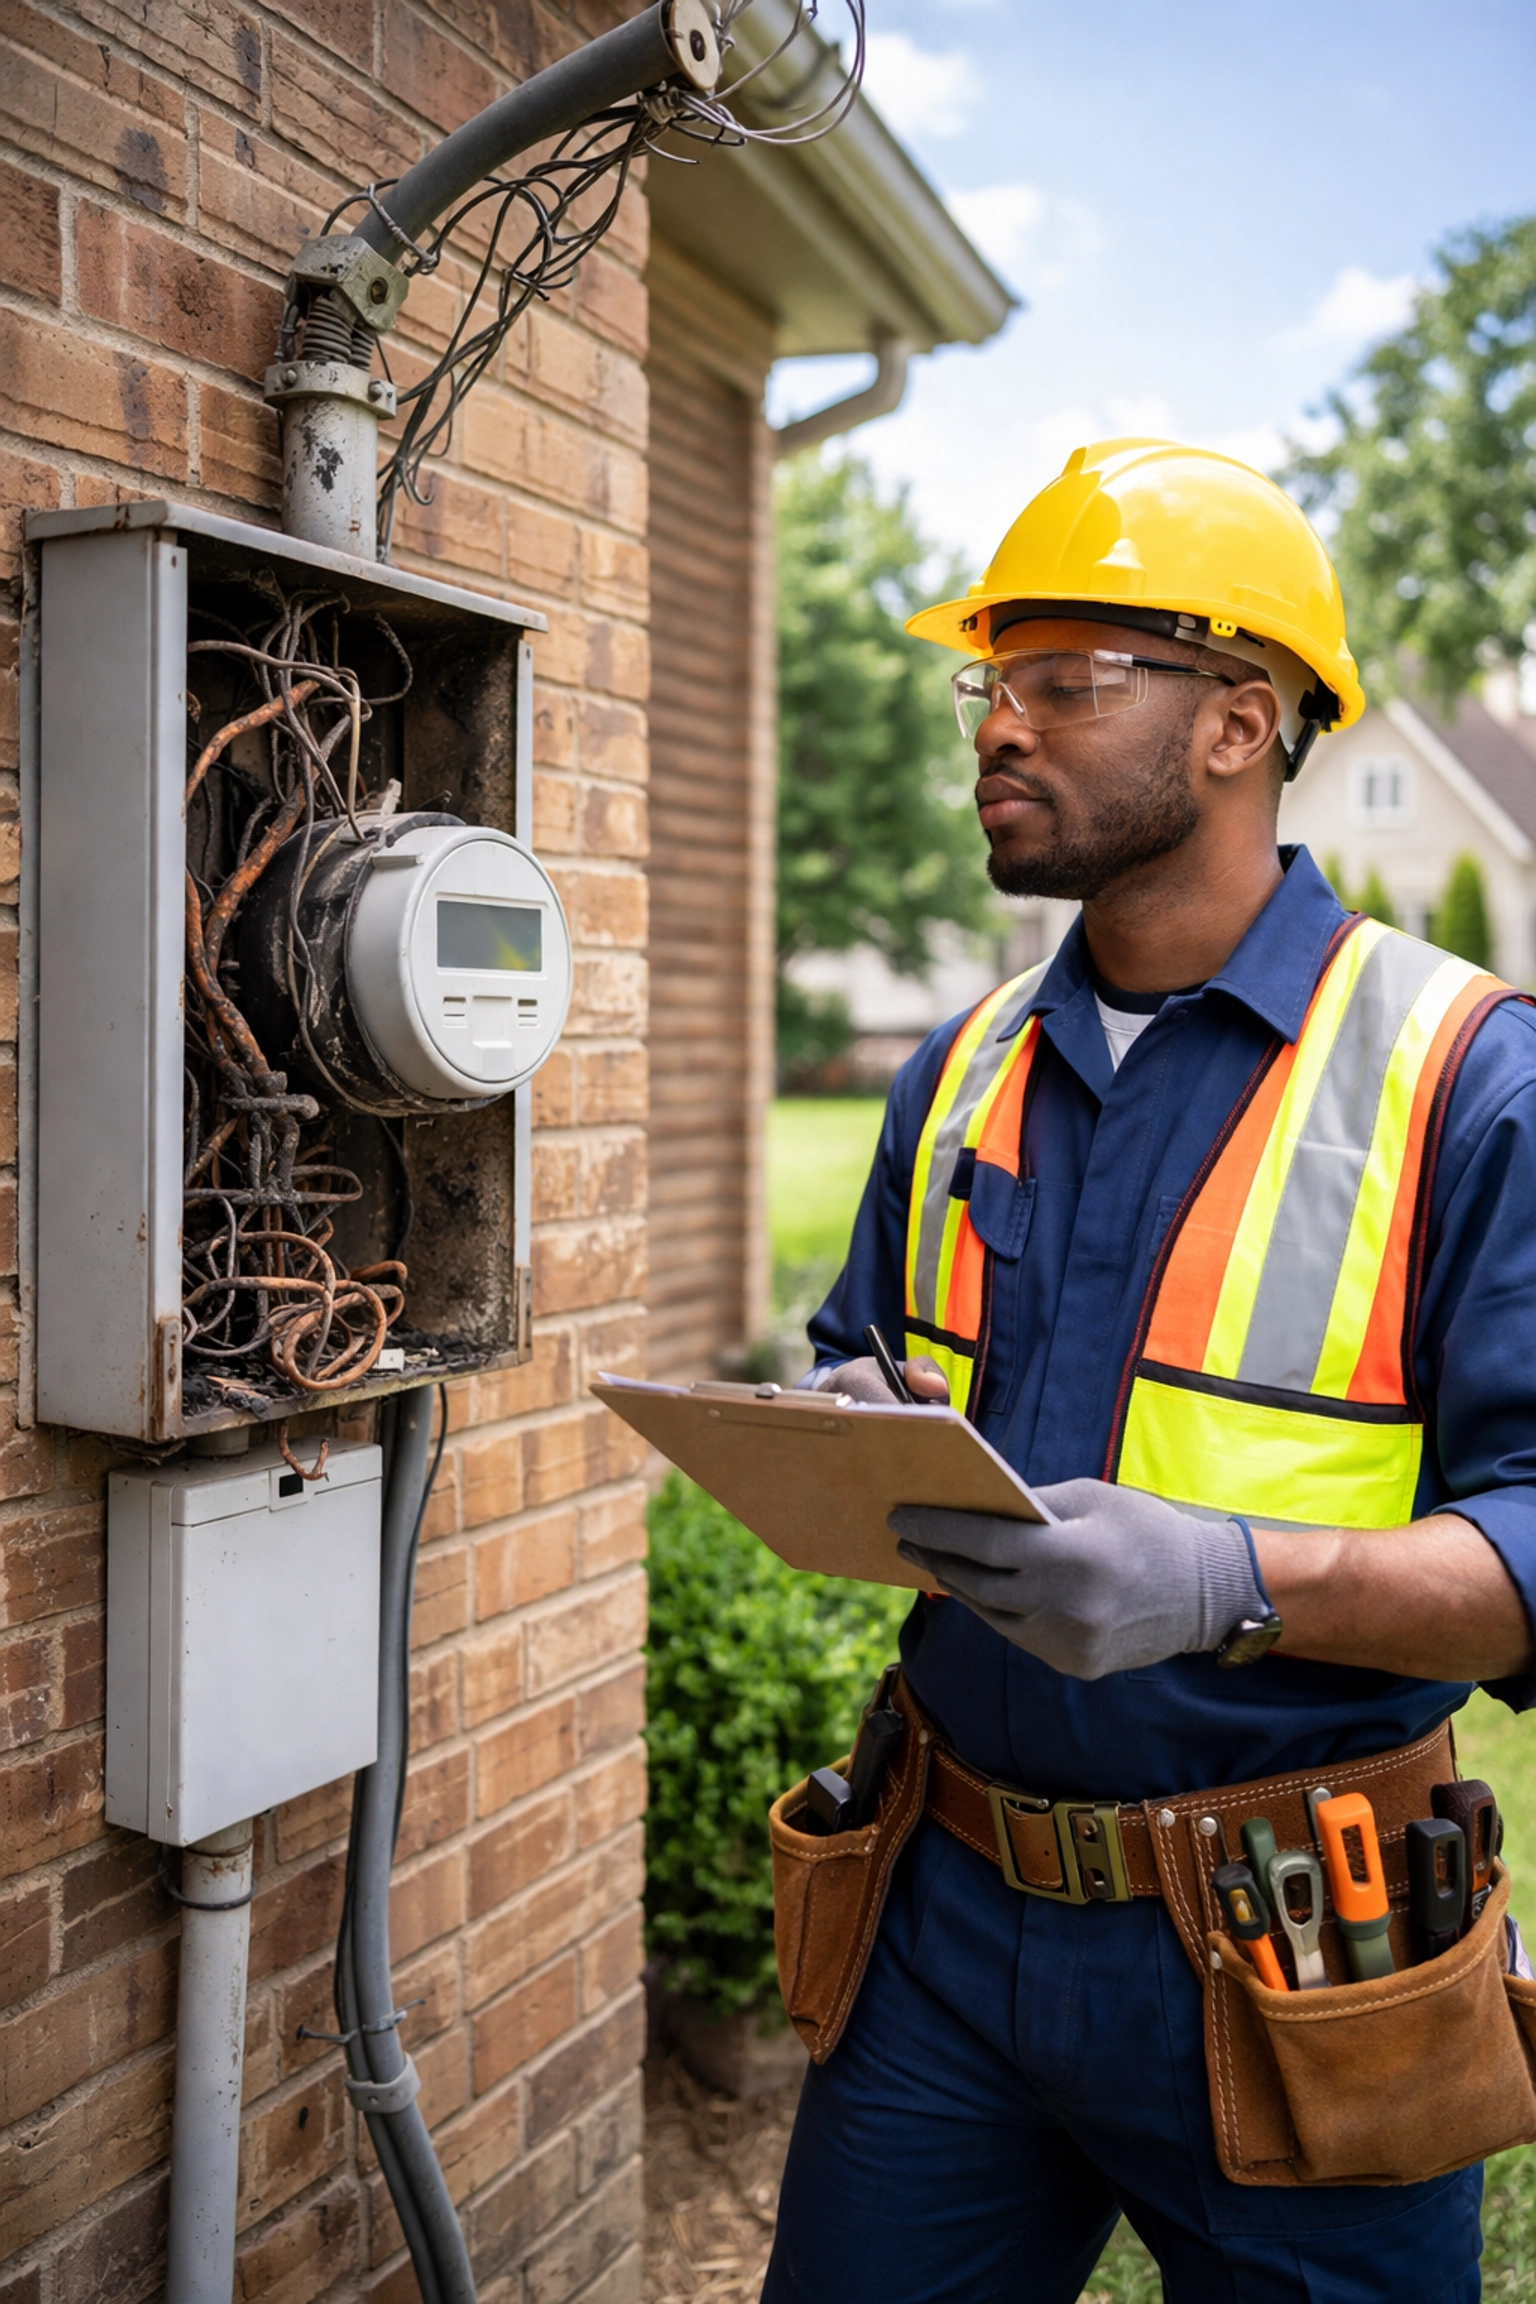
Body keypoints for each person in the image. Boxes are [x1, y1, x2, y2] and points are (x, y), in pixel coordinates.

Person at [760, 440, 1536, 2303]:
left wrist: (1229, 1579)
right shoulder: (955, 1068)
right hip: (940, 1922)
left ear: (1238, 725)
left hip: (1308, 1944)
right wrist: (837, 1438)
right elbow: (856, 1361)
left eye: (1067, 678)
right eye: (991, 681)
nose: (997, 727)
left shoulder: (1466, 1078)